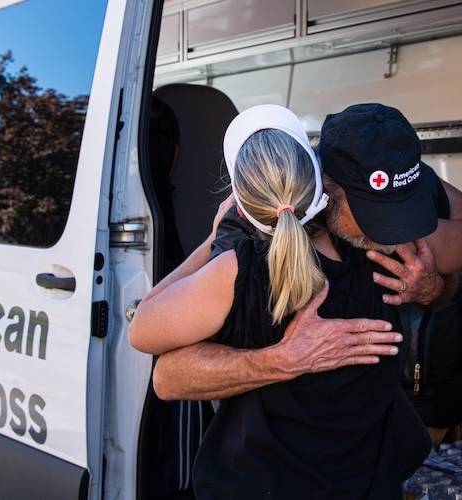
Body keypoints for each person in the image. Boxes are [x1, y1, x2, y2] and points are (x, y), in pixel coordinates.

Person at [129, 105, 436, 498]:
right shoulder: (377, 252)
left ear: (242, 205)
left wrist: (209, 243)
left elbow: (143, 331)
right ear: (318, 180)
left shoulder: (235, 271)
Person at [150, 104, 462, 404]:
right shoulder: (248, 253)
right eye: (375, 213)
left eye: (401, 209)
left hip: (377, 463)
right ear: (326, 183)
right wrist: (280, 360)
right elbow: (168, 376)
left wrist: (433, 290)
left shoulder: (390, 226)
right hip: (279, 470)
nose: (394, 230)